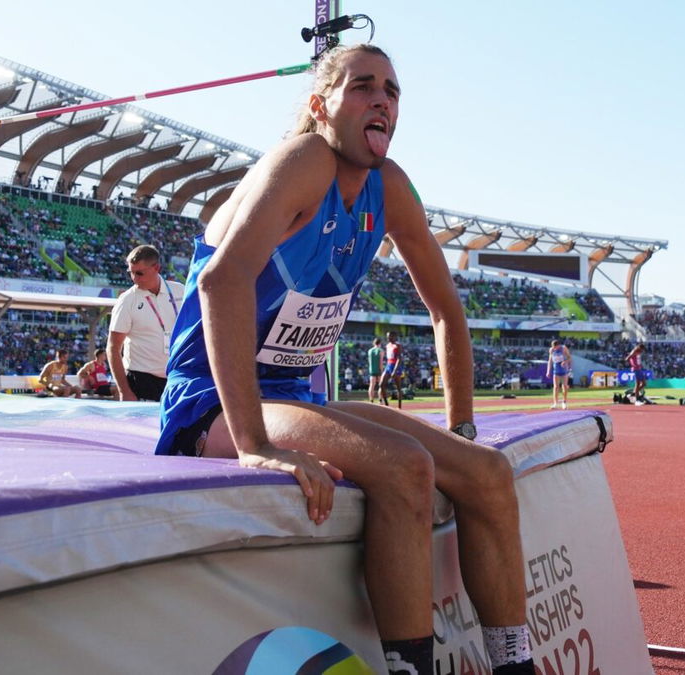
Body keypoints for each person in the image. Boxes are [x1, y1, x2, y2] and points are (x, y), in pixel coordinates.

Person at [154, 45, 532, 675]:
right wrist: (252, 443)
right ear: (320, 105)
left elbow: (447, 310)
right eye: (362, 86)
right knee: (405, 466)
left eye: (392, 89)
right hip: (215, 399)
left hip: (295, 397)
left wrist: (460, 428)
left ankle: (513, 664)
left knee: (486, 473)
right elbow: (223, 283)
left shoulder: (389, 188)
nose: (382, 97)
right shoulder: (304, 162)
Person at [108, 245, 177, 402]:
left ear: (156, 268)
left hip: (176, 379)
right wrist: (124, 390)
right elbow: (113, 348)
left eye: (139, 273)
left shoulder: (180, 291)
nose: (134, 278)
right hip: (141, 381)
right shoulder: (127, 300)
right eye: (131, 273)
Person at [379, 331, 403, 408]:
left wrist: (395, 370)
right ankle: (387, 405)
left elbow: (399, 359)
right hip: (389, 365)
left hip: (396, 366)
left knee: (398, 387)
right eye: (387, 336)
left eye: (390, 336)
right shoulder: (387, 345)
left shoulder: (398, 345)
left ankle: (399, 407)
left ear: (394, 336)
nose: (388, 338)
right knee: (381, 384)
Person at [545, 339, 572, 410]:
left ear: (558, 345)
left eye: (555, 347)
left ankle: (564, 402)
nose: (554, 348)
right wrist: (548, 371)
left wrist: (565, 362)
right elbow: (550, 361)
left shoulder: (563, 348)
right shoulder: (551, 350)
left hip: (564, 370)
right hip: (556, 370)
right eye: (553, 347)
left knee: (565, 386)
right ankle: (555, 403)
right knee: (556, 387)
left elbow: (569, 357)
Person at [366, 337, 383, 403]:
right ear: (380, 343)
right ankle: (380, 400)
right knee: (380, 385)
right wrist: (381, 370)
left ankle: (371, 400)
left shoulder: (370, 351)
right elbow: (380, 362)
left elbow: (369, 361)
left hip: (372, 370)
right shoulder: (380, 350)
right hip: (378, 370)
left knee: (371, 385)